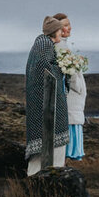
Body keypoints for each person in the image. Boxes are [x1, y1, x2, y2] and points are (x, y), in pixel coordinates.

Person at [24, 16, 69, 176]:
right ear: (54, 31)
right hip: (45, 107)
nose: (62, 32)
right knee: (49, 147)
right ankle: (49, 179)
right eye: (59, 29)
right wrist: (62, 69)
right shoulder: (44, 45)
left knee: (45, 149)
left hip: (40, 105)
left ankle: (36, 179)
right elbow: (46, 70)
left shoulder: (42, 44)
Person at [54, 13, 86, 162]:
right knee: (67, 138)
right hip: (71, 96)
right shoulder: (60, 46)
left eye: (69, 24)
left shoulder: (63, 45)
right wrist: (78, 86)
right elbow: (69, 72)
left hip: (72, 97)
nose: (69, 27)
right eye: (66, 25)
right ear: (58, 29)